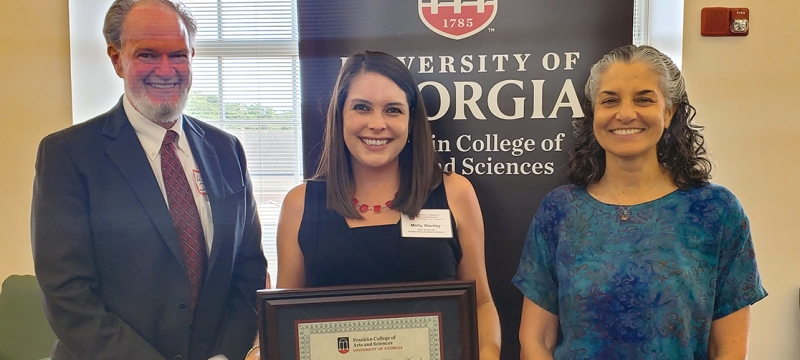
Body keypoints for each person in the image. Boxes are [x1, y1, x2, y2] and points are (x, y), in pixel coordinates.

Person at [31, 0, 267, 359]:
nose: (166, 69)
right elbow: (66, 292)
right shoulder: (68, 155)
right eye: (147, 54)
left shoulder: (226, 150)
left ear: (192, 57)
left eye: (178, 55)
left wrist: (225, 354)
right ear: (116, 59)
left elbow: (248, 269)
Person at [513, 44, 767, 359]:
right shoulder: (559, 210)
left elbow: (728, 348)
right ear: (594, 113)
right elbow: (537, 340)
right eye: (610, 100)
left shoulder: (715, 211)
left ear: (669, 111)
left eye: (643, 99)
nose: (625, 114)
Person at [244, 51, 500, 359]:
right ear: (340, 115)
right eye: (362, 107)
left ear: (411, 121)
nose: (377, 124)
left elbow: (481, 304)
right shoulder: (299, 204)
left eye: (393, 110)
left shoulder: (455, 192)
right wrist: (259, 351)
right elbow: (285, 319)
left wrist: (488, 353)